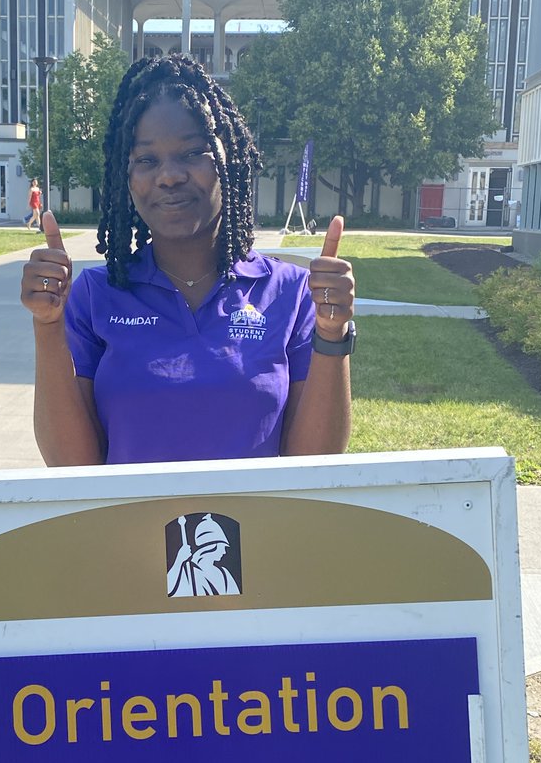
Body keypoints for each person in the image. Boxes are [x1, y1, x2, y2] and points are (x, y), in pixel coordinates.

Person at [20, 54, 354, 466]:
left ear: (228, 161)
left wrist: (332, 333)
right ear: (126, 177)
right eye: (146, 160)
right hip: (128, 528)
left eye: (192, 153)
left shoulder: (289, 293)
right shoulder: (93, 296)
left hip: (254, 530)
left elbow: (314, 462)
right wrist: (47, 327)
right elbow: (71, 467)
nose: (169, 175)